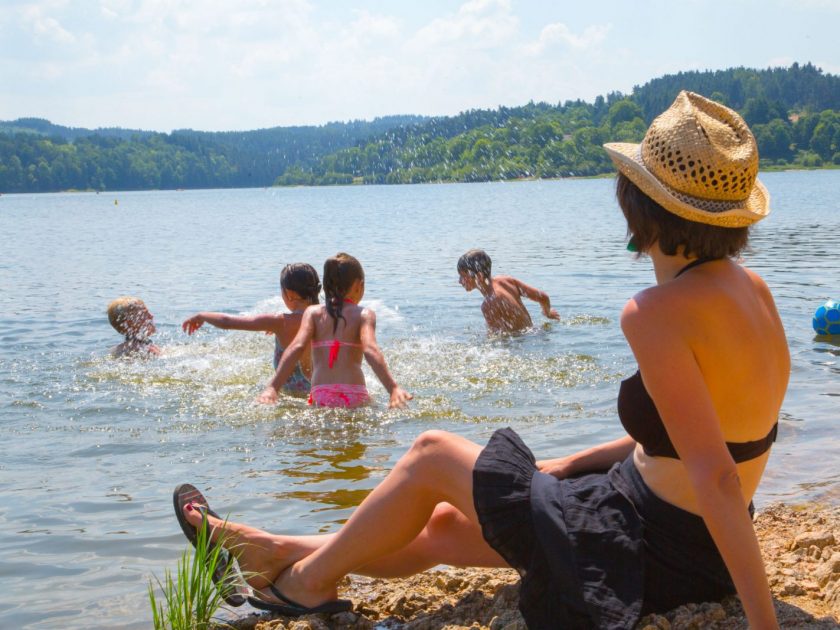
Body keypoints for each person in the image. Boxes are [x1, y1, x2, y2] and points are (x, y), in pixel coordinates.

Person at [174, 92, 788, 628]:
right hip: (666, 525)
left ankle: (303, 585)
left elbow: (717, 477)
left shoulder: (654, 310)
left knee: (431, 453)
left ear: (641, 202)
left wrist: (764, 625)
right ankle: (273, 549)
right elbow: (723, 442)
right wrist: (572, 462)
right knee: (441, 526)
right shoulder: (751, 289)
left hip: (651, 548)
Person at [257, 253, 412, 409]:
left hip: (320, 395)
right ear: (359, 285)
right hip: (355, 395)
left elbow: (296, 348)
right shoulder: (364, 314)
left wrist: (273, 387)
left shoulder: (313, 313)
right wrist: (392, 387)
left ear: (325, 286)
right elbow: (371, 350)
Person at [182, 263, 321, 394]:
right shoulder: (330, 318)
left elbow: (227, 321)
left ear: (289, 294)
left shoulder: (279, 322)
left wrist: (202, 315)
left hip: (293, 393)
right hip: (323, 388)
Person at [457, 249, 560, 333]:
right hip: (535, 332)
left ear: (479, 276)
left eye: (462, 276)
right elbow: (543, 297)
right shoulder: (506, 281)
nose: (459, 281)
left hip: (522, 342)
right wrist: (548, 313)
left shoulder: (488, 304)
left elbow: (496, 339)